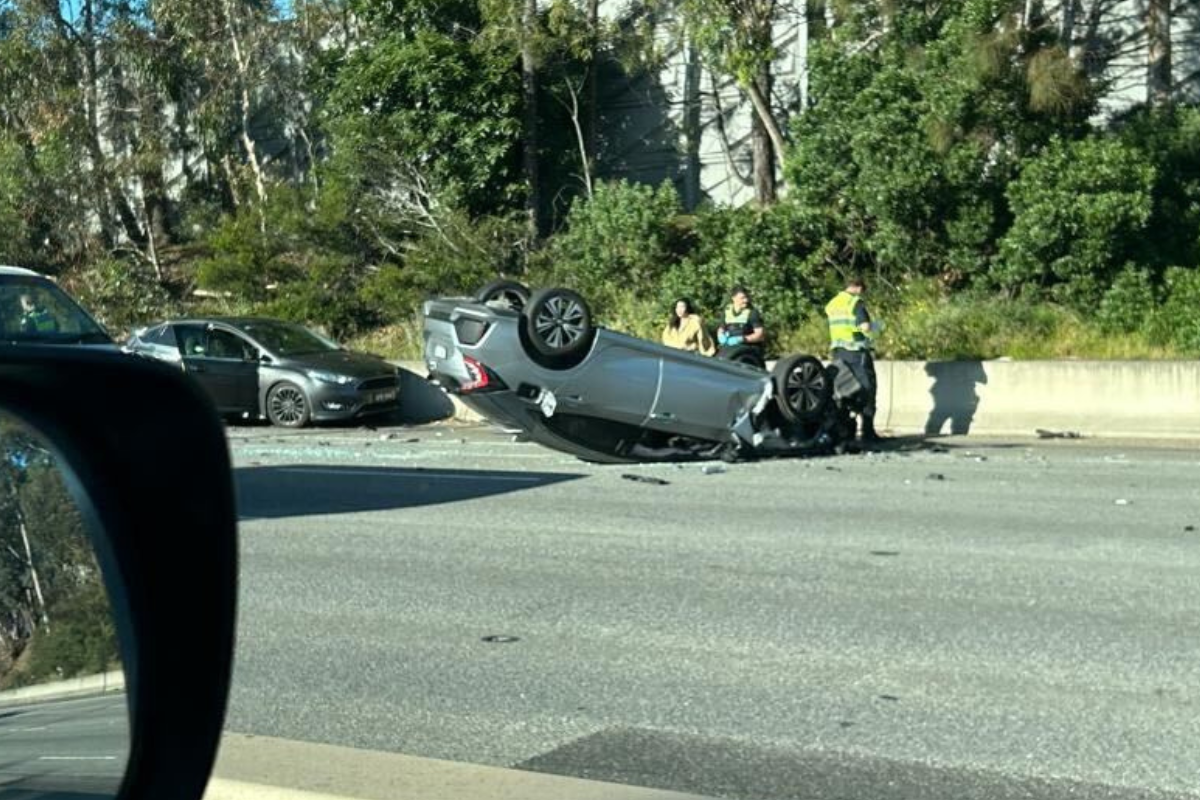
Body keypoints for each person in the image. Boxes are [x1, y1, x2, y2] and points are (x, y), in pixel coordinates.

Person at [826, 277, 884, 442]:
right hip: (857, 353)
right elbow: (864, 327)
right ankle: (868, 431)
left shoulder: (832, 304)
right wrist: (878, 326)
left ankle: (845, 430)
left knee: (844, 391)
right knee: (867, 389)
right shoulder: (855, 303)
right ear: (858, 287)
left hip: (838, 353)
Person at [716, 286, 765, 359]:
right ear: (733, 298)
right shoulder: (727, 311)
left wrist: (742, 339)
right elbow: (721, 329)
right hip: (730, 347)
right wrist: (720, 336)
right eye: (742, 298)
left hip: (748, 350)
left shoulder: (752, 312)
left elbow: (760, 335)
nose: (746, 300)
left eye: (746, 297)